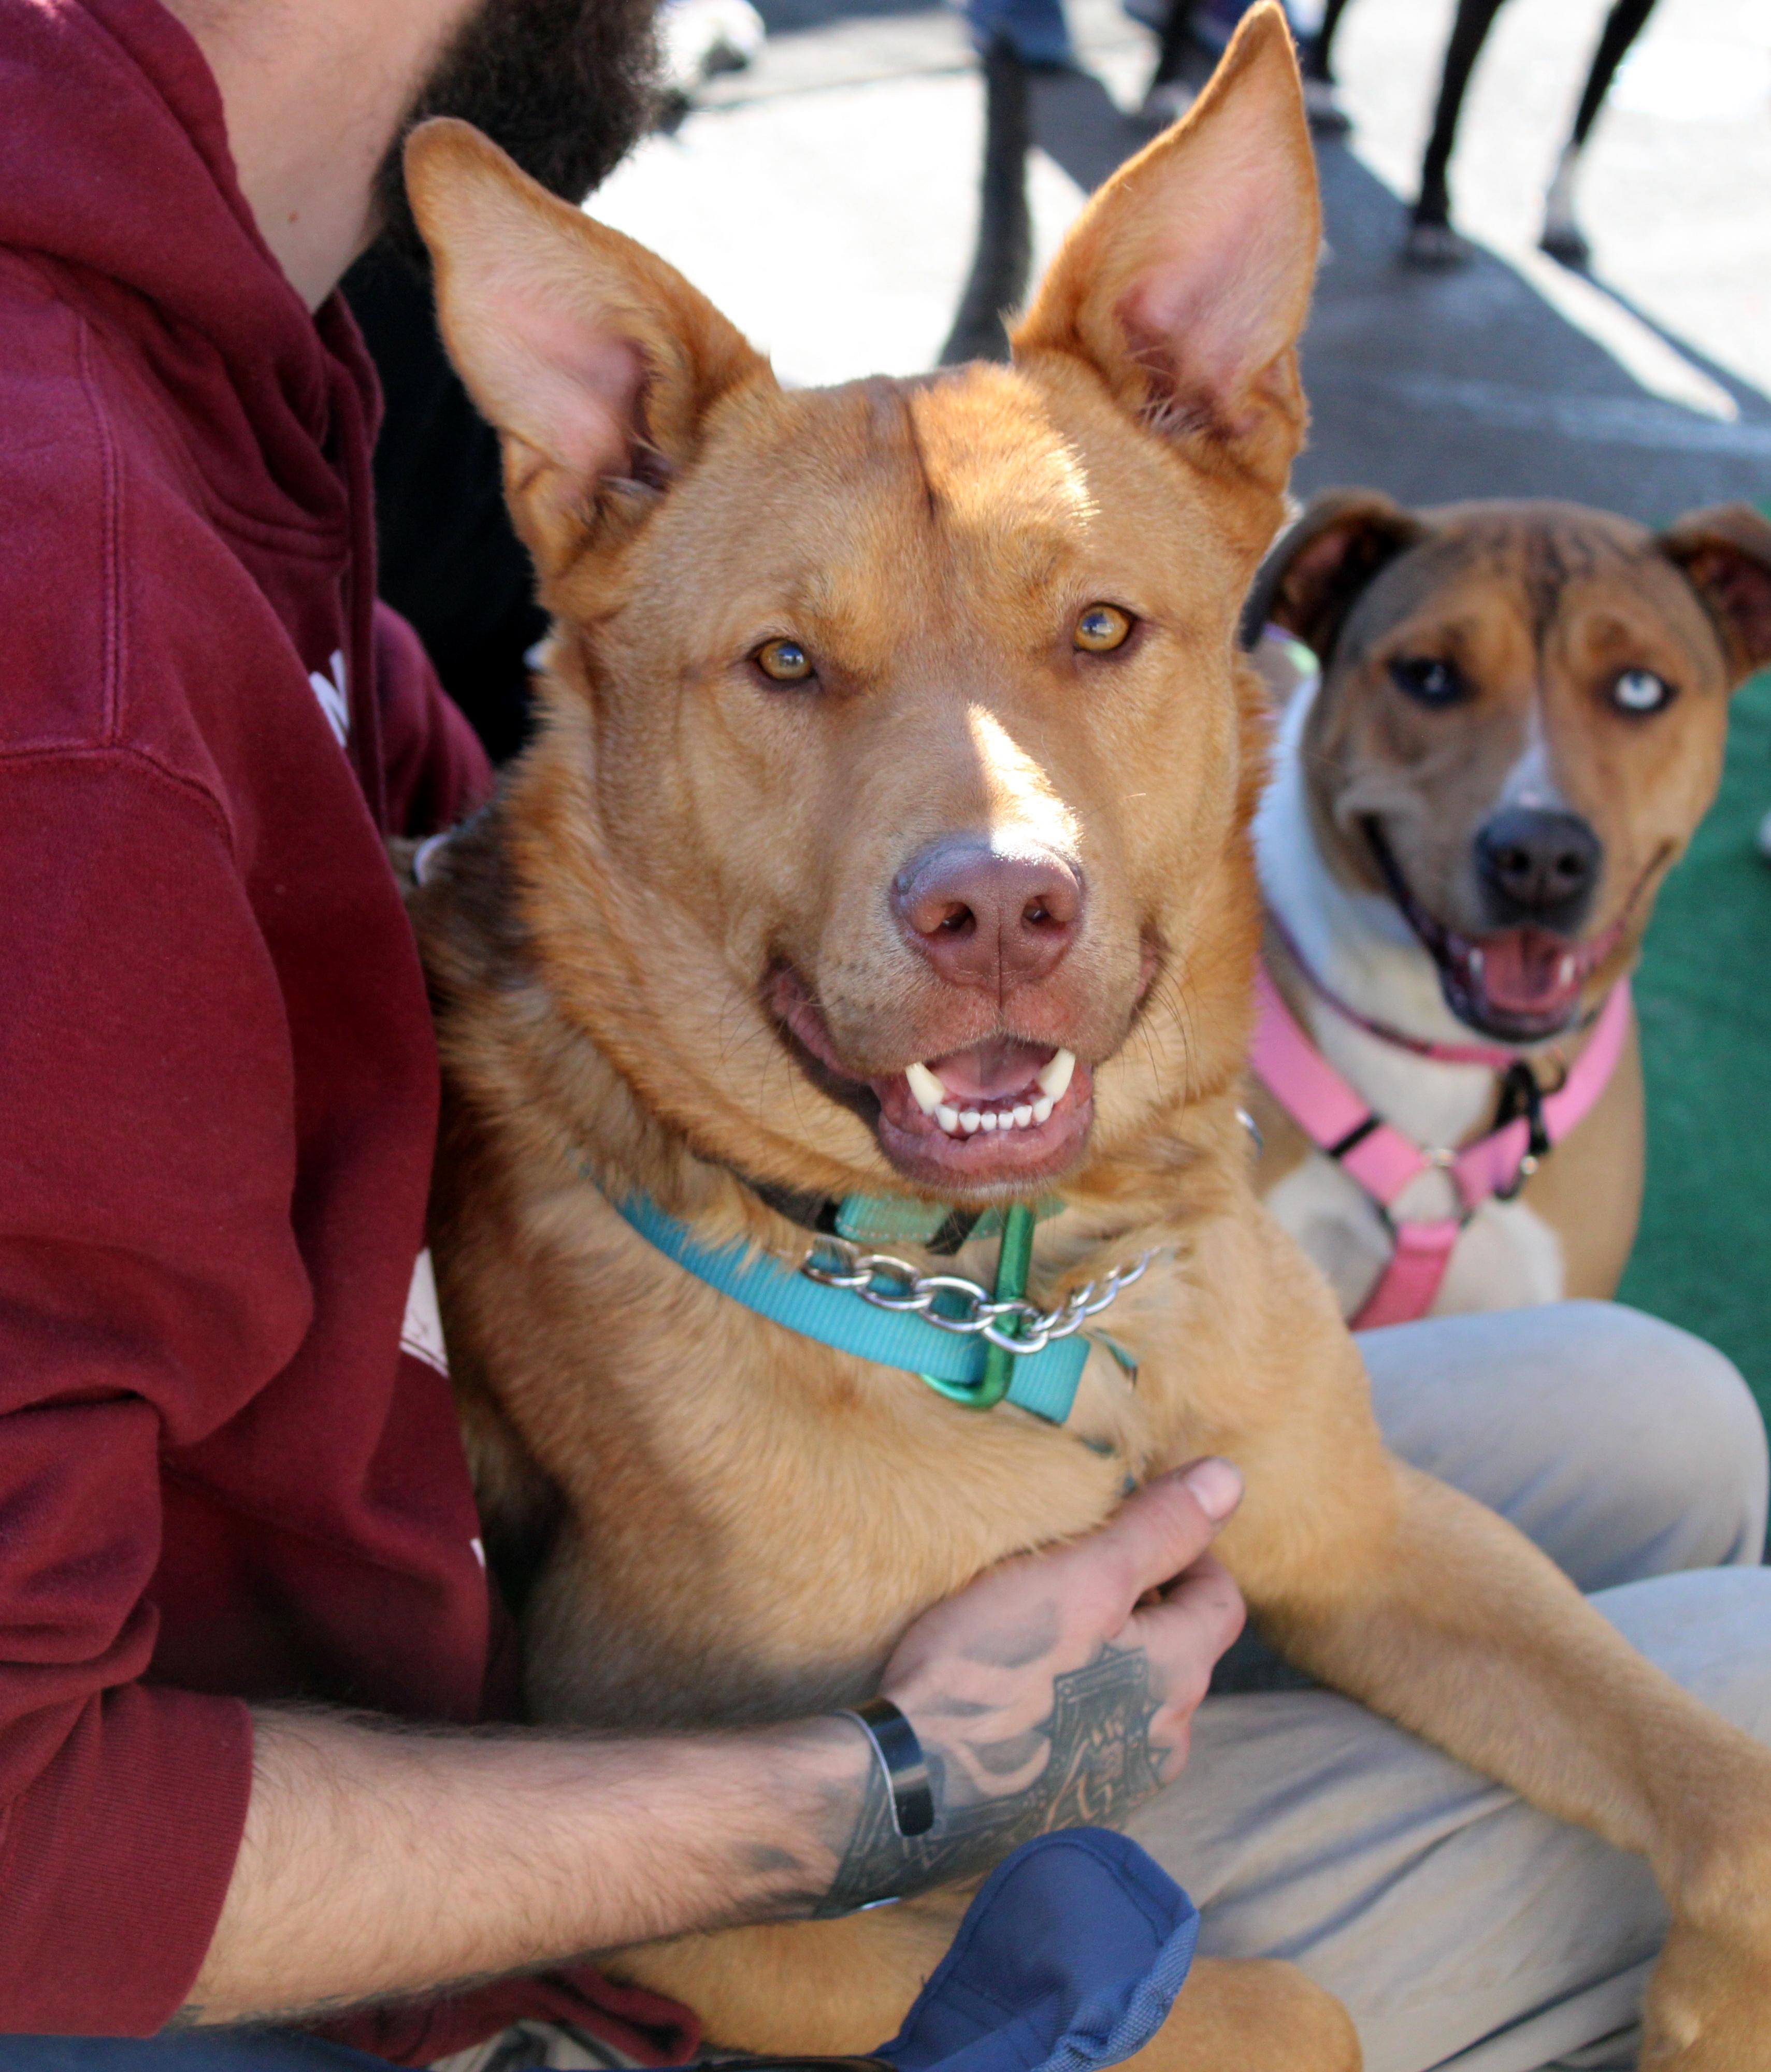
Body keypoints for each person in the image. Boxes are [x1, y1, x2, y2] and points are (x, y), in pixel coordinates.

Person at [3, 7, 1770, 2072]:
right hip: (515, 1916)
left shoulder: (237, 353)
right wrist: (927, 1798)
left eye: (1097, 631)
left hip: (1046, 1303)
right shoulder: (78, 624)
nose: (993, 858)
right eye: (790, 667)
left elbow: (426, 793)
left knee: (1675, 1418)